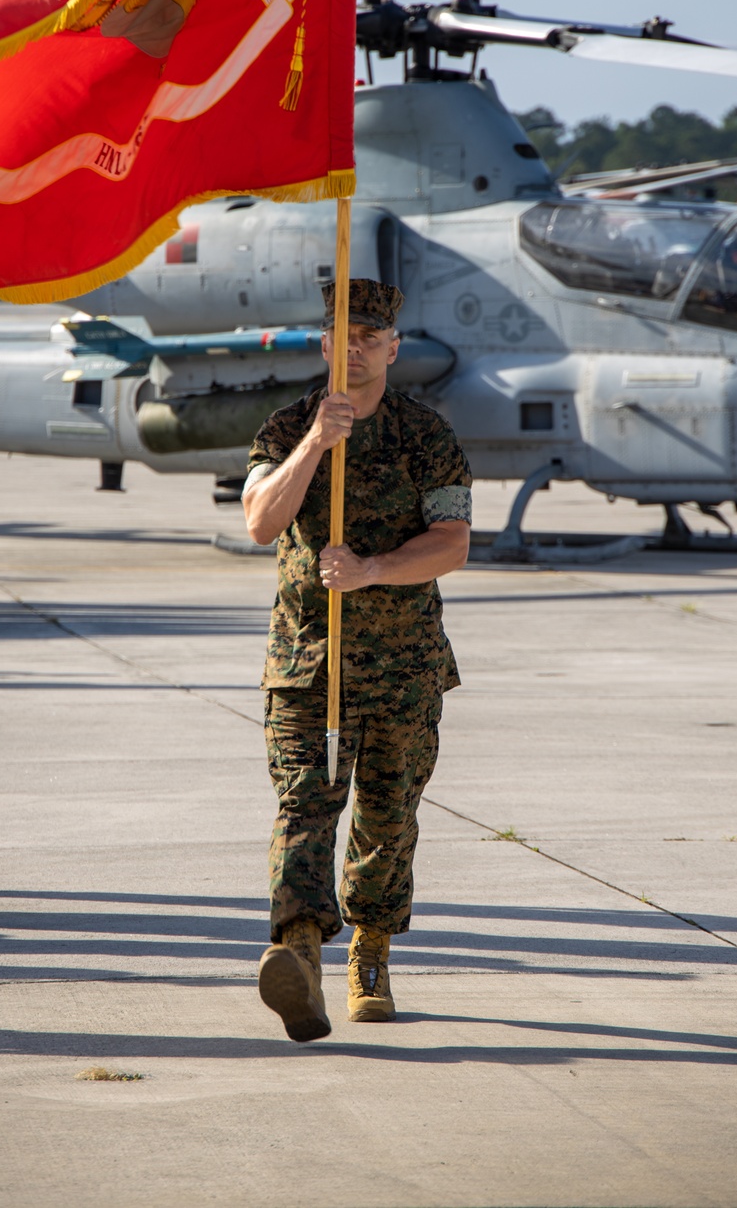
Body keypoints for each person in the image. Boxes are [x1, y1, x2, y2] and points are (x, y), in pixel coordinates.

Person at [243, 278, 471, 1042]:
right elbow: (260, 520)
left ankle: (369, 952)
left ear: (394, 348)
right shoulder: (285, 426)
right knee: (305, 807)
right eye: (344, 334)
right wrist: (316, 442)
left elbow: (453, 544)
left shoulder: (424, 435)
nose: (357, 348)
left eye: (372, 337)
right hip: (308, 663)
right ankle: (298, 956)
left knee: (387, 818)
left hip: (402, 667)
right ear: (324, 344)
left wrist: (372, 570)